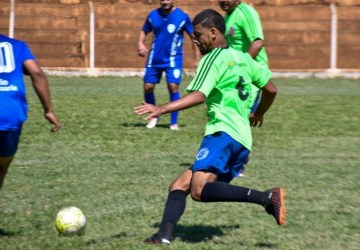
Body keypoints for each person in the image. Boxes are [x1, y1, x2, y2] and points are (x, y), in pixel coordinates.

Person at [135, 9, 286, 245]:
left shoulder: (212, 58)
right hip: (243, 140)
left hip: (222, 134)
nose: (194, 39)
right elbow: (271, 89)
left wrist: (161, 109)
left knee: (198, 190)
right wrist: (259, 113)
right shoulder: (244, 58)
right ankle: (163, 235)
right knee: (179, 184)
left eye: (197, 34)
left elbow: (199, 95)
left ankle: (267, 198)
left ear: (213, 33)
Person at [0, 34, 61, 192]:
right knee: (2, 166)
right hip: (9, 114)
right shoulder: (17, 46)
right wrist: (48, 110)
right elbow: (37, 73)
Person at [217, 0, 269, 176]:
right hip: (237, 73)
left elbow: (258, 42)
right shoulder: (227, 16)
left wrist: (241, 66)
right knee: (228, 114)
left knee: (238, 117)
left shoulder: (246, 12)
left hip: (251, 72)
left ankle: (238, 164)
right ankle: (234, 160)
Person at [137, 0, 200, 130]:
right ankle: (153, 117)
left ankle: (173, 122)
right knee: (148, 87)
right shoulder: (153, 15)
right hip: (154, 58)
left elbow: (193, 37)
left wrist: (197, 58)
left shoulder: (182, 17)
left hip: (173, 59)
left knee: (173, 87)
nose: (165, 2)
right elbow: (144, 31)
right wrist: (141, 44)